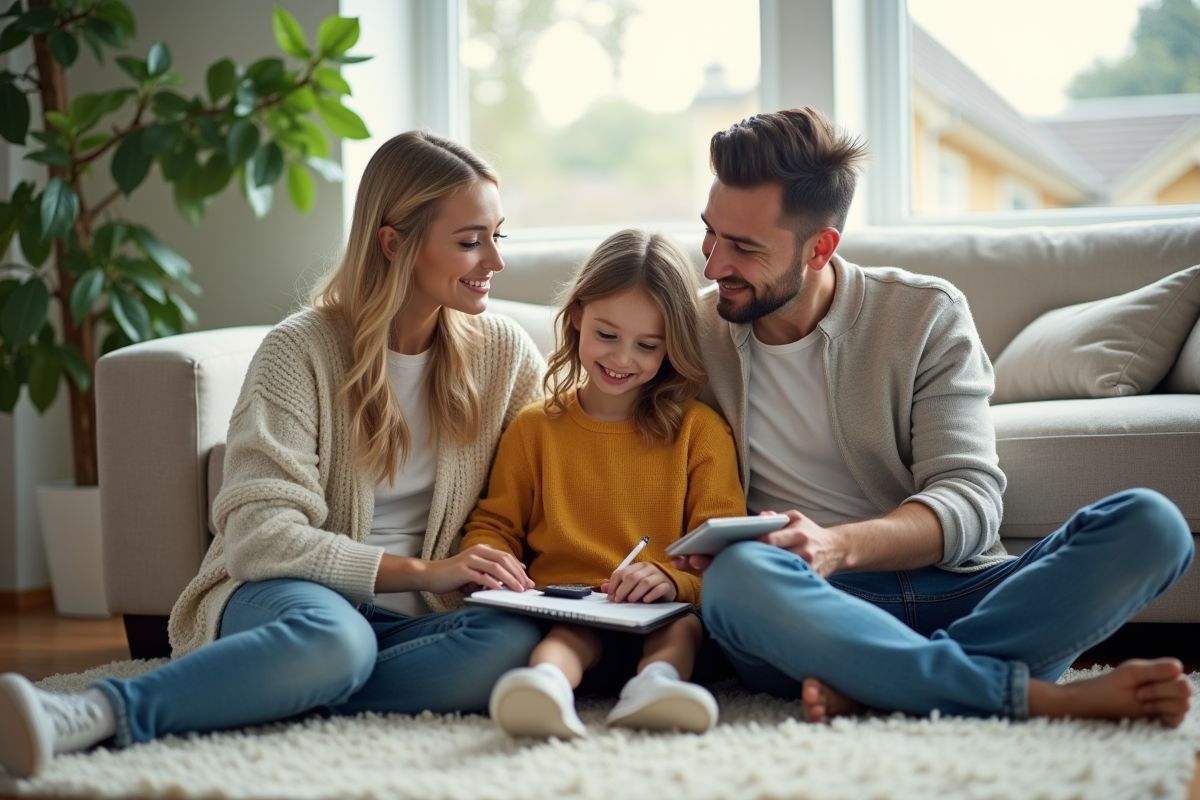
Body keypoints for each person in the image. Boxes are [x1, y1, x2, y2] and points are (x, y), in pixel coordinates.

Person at [0, 132, 549, 779]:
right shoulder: (301, 352)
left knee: (512, 642)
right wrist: (427, 571)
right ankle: (99, 710)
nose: (495, 262)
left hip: (419, 624)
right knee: (334, 640)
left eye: (497, 236)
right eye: (469, 240)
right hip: (291, 593)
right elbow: (259, 538)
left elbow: (547, 474)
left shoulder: (505, 354)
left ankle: (277, 686)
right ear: (394, 242)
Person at [673, 107, 1194, 727]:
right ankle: (1021, 694)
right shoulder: (694, 329)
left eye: (744, 247)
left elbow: (971, 501)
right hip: (814, 607)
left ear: (821, 248)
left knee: (1153, 525)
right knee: (736, 580)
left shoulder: (924, 315)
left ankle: (879, 684)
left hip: (961, 590)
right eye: (710, 233)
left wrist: (835, 545)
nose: (712, 265)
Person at [460, 229, 746, 739]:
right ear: (577, 317)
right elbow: (496, 522)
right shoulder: (535, 428)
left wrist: (672, 580)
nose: (621, 360)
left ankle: (654, 687)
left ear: (671, 345)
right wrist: (490, 557)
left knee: (679, 628)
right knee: (569, 637)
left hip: (663, 613)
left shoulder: (700, 431)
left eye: (647, 346)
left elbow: (722, 543)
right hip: (567, 609)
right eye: (607, 335)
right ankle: (544, 687)